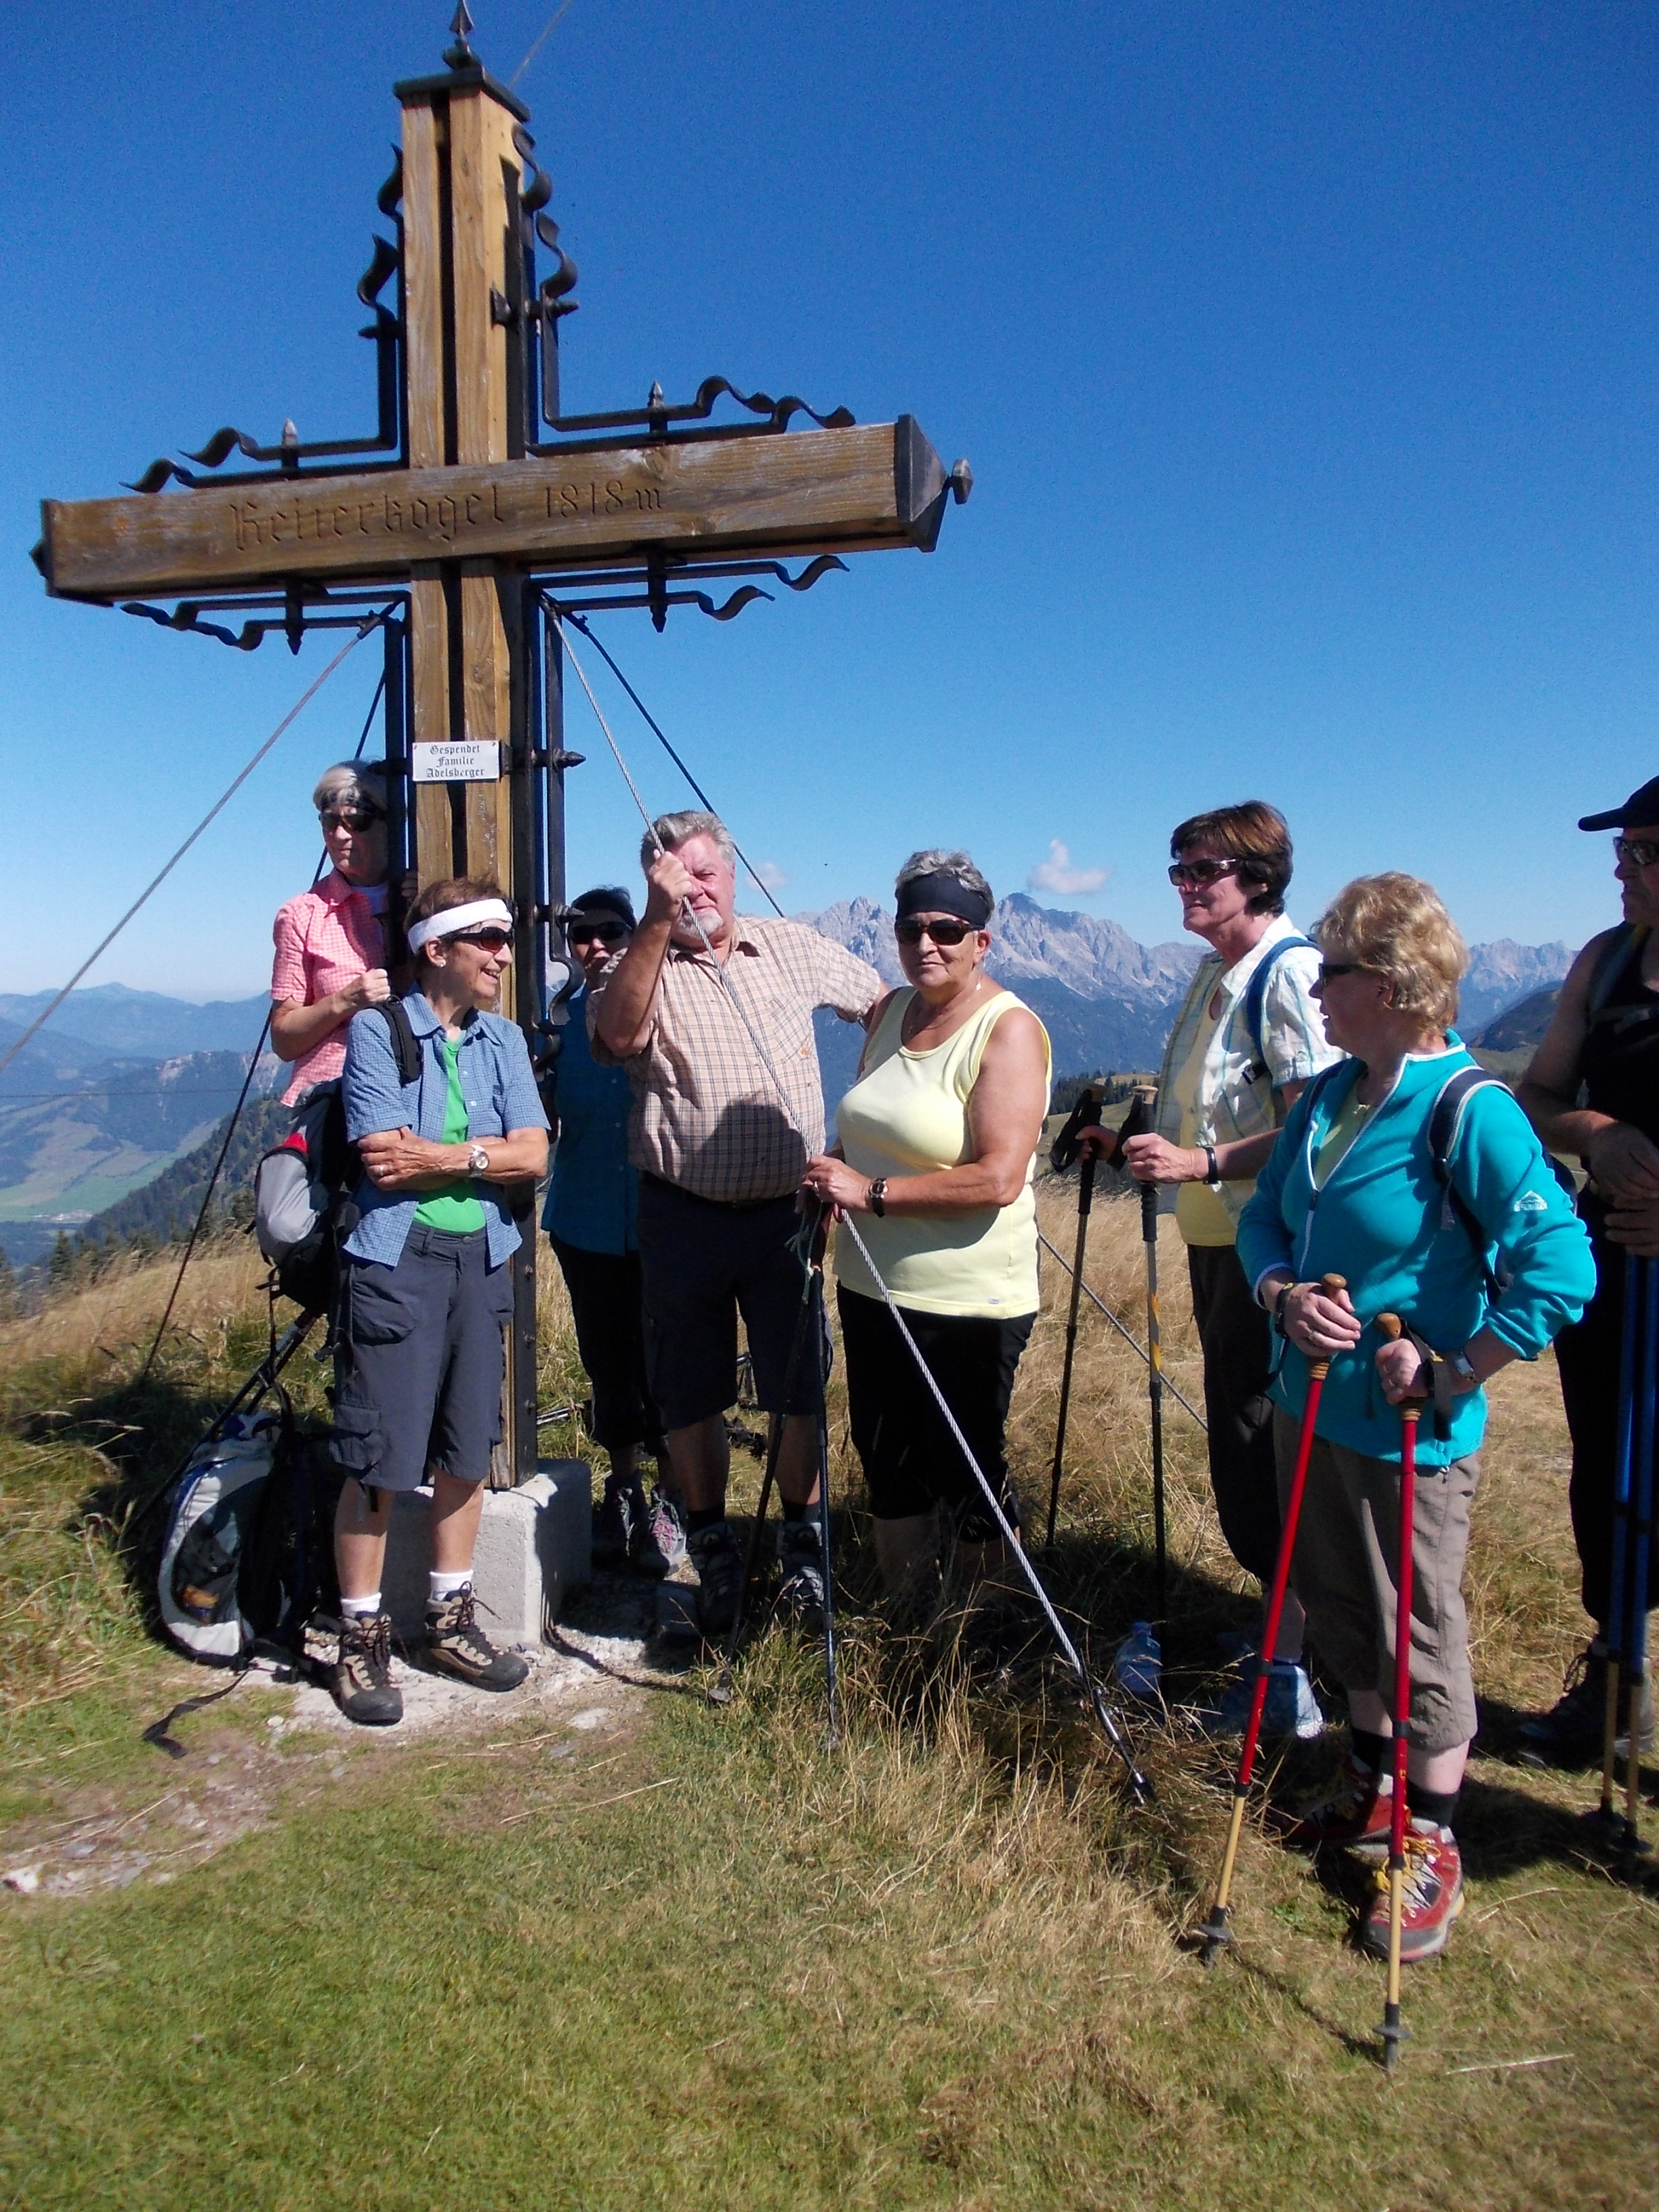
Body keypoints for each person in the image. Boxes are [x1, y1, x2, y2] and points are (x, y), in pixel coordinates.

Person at [1237, 873, 1595, 1963]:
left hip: (1408, 1430)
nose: (1317, 990)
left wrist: (1453, 1370)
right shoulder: (1328, 1094)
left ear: (1390, 986)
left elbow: (1560, 1264)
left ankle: (1430, 1843)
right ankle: (1371, 1784)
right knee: (1344, 1605)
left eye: (1333, 972)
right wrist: (1282, 1296)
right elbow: (1264, 1221)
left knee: (1418, 1631)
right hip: (1312, 1405)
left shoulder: (1466, 1110)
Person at [589, 811, 883, 1635]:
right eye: (674, 877)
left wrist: (867, 1126)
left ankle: (802, 1544)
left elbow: (884, 1005)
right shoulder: (635, 961)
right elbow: (618, 1035)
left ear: (733, 873)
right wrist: (655, 921)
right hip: (682, 1213)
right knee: (690, 1392)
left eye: (706, 873)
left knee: (797, 1384)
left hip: (788, 1213)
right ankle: (713, 1542)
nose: (695, 890)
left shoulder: (784, 945)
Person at [1086, 801, 1339, 1736]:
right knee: (1242, 1436)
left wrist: (1199, 1163)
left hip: (1266, 1248)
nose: (1186, 887)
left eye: (1204, 871)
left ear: (1259, 880)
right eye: (1179, 870)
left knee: (1266, 1442)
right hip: (1219, 1240)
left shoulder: (1288, 973)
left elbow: (1319, 1124)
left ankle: (1292, 1670)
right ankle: (1284, 1636)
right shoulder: (1215, 972)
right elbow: (1203, 1105)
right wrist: (1135, 1145)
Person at [800, 851, 1050, 1624]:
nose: (926, 944)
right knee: (889, 1458)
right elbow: (876, 1123)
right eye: (912, 929)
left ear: (982, 941)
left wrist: (869, 1194)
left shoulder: (1008, 1030)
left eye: (947, 929)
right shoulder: (891, 1013)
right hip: (872, 1283)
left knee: (966, 1469)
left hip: (967, 1297)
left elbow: (997, 1178)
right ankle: (906, 1625)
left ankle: (987, 1631)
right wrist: (837, 1167)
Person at [328, 876, 551, 1725]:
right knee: (379, 1454)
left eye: (506, 939)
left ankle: (449, 1620)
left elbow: (536, 1154)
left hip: (480, 1257)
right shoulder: (378, 1031)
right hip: (398, 1261)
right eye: (488, 940)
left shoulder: (504, 1039)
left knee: (466, 1444)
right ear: (437, 949)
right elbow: (383, 1158)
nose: (505, 956)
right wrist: (487, 1155)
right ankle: (360, 1638)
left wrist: (447, 1157)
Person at [1515, 775, 1659, 1763]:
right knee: (1608, 1462)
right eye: (1623, 850)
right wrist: (1598, 1133)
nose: (1622, 869)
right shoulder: (1606, 963)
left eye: (1645, 852)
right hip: (1614, 1262)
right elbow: (1537, 1095)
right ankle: (1618, 1674)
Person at [543, 886, 681, 1577]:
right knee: (607, 1360)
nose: (596, 946)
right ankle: (623, 1485)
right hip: (587, 1217)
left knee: (669, 1361)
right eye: (582, 935)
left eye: (611, 932)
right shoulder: (555, 1022)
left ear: (636, 935)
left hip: (663, 1217)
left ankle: (674, 1494)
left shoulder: (671, 1004)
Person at [270, 762, 394, 1107]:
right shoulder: (302, 915)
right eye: (329, 822)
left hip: (419, 1092)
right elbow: (284, 1041)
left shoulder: (425, 901)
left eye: (356, 821)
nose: (339, 836)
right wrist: (345, 1001)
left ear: (389, 824)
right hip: (335, 1096)